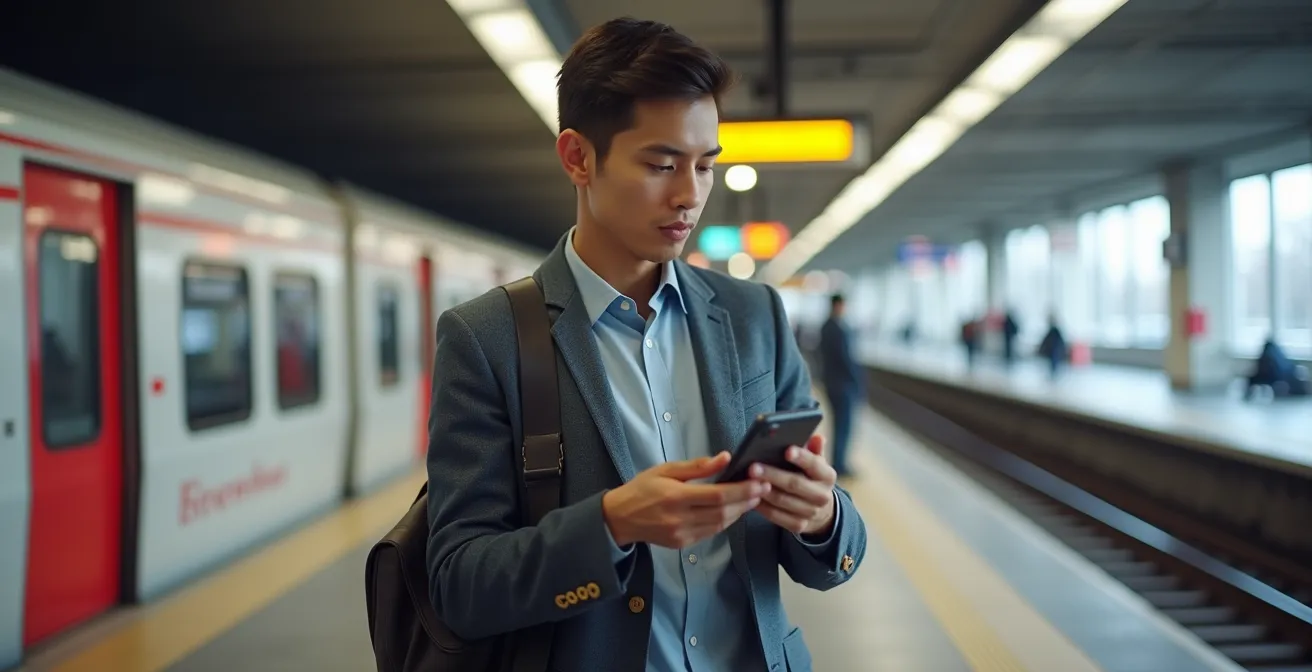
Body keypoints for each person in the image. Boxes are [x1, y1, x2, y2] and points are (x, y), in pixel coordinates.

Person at [423, 17, 867, 672]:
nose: (690, 196)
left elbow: (831, 552)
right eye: (661, 164)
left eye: (706, 165)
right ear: (577, 157)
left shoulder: (753, 317)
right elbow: (459, 586)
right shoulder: (486, 339)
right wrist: (611, 525)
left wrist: (823, 515)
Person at [819, 294, 863, 477]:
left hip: (832, 383)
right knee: (843, 425)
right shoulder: (837, 328)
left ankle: (839, 461)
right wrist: (857, 380)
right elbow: (846, 358)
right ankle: (839, 463)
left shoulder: (826, 326)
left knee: (839, 424)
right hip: (842, 385)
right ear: (838, 305)